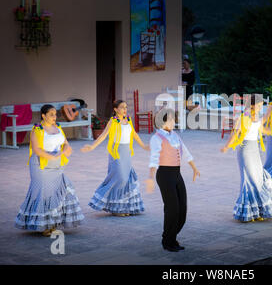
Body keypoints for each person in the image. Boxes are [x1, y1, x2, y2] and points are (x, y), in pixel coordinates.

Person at [15, 105, 84, 236]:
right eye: (51, 114)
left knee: (57, 193)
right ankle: (44, 226)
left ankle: (52, 224)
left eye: (55, 114)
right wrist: (52, 156)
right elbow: (36, 149)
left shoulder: (58, 127)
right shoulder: (37, 129)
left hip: (57, 165)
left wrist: (67, 149)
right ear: (43, 116)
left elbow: (65, 143)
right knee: (44, 194)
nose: (54, 117)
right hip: (41, 165)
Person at [221, 94, 272, 222]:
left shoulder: (257, 116)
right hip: (245, 149)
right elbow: (235, 133)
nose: (260, 108)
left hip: (255, 150)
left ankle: (258, 211)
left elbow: (261, 129)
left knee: (258, 179)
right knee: (249, 180)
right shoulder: (244, 117)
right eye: (259, 105)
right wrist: (227, 146)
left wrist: (270, 132)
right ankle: (248, 211)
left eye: (262, 106)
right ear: (252, 105)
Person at [81, 100, 149, 216]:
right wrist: (92, 146)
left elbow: (134, 134)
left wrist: (144, 146)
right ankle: (114, 207)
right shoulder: (113, 122)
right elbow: (103, 136)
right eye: (122, 107)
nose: (125, 109)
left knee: (126, 179)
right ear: (116, 109)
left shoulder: (128, 120)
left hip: (126, 152)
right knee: (120, 178)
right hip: (116, 153)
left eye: (126, 107)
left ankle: (122, 208)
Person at [146, 109, 200, 252]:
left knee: (182, 208)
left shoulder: (175, 135)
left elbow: (186, 152)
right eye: (170, 120)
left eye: (173, 119)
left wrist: (194, 168)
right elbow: (154, 159)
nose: (173, 122)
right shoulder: (156, 138)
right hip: (164, 175)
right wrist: (151, 178)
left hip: (177, 174)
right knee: (172, 209)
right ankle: (168, 241)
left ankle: (172, 237)